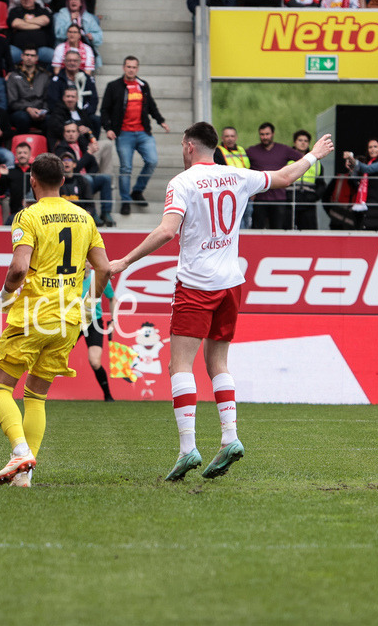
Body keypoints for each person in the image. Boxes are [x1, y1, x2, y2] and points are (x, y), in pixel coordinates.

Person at [107, 123, 334, 481]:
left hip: (196, 285)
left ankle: (187, 448)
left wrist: (123, 261)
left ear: (187, 146)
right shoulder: (236, 175)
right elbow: (284, 177)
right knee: (218, 362)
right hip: (231, 284)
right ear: (215, 147)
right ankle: (230, 437)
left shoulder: (182, 183)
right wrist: (312, 155)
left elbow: (167, 230)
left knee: (180, 365)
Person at [0, 152, 110, 488]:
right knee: (36, 395)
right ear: (64, 181)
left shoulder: (28, 217)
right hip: (69, 320)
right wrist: (90, 304)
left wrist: (6, 294)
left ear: (32, 181)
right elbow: (105, 268)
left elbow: (18, 268)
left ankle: (20, 451)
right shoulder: (84, 218)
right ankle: (24, 476)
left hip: (34, 315)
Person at [101, 56, 170, 216]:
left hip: (143, 132)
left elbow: (151, 105)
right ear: (123, 68)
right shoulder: (113, 86)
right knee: (126, 168)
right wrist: (108, 128)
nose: (131, 69)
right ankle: (125, 200)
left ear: (137, 69)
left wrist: (161, 121)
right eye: (128, 66)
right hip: (124, 134)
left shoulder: (143, 85)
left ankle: (137, 191)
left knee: (152, 161)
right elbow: (104, 109)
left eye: (134, 67)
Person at [246, 121, 302, 230]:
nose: (265, 137)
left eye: (267, 134)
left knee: (278, 230)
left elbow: (301, 159)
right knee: (257, 230)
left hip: (279, 198)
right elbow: (243, 167)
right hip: (259, 198)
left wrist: (290, 174)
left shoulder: (284, 150)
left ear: (273, 134)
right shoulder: (251, 151)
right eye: (262, 134)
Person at [77, 261, 116, 402]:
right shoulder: (70, 278)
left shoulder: (98, 277)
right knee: (55, 357)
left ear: (91, 263)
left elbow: (112, 298)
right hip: (73, 322)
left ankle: (107, 395)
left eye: (87, 260)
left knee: (94, 362)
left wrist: (113, 320)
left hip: (94, 323)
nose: (84, 263)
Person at [213, 126, 252, 228]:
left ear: (236, 137)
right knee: (236, 221)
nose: (230, 139)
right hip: (230, 192)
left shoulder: (241, 150)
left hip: (245, 190)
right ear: (222, 138)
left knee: (247, 217)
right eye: (227, 136)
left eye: (232, 136)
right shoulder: (218, 151)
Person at [6, 47, 50, 135]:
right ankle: (22, 147)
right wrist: (28, 109)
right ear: (22, 56)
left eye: (32, 55)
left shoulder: (44, 76)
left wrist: (43, 111)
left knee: (51, 120)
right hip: (21, 112)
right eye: (27, 55)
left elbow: (47, 99)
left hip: (39, 112)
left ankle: (50, 148)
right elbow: (12, 102)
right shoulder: (13, 76)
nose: (29, 57)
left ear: (36, 58)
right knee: (22, 118)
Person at [288, 129, 325, 231]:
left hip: (308, 204)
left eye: (306, 141)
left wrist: (314, 196)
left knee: (309, 235)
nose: (303, 143)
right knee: (287, 235)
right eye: (300, 140)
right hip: (290, 203)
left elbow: (321, 184)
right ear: (294, 142)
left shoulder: (316, 162)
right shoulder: (286, 159)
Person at [344, 140, 378, 230]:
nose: (372, 149)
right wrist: (352, 168)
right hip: (366, 206)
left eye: (375, 146)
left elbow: (368, 169)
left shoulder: (372, 165)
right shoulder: (366, 162)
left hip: (376, 206)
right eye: (370, 147)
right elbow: (355, 181)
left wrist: (353, 161)